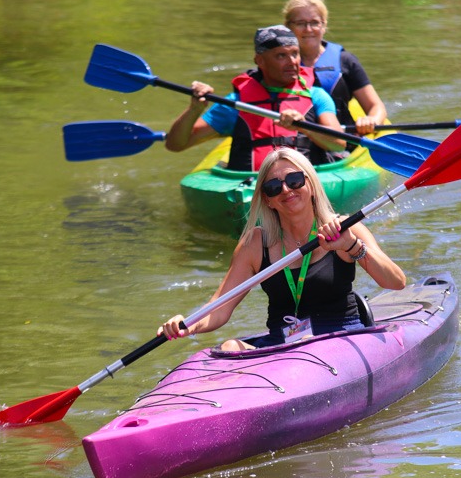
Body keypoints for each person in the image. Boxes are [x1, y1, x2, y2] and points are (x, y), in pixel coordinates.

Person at [158, 148, 406, 351]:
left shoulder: (345, 228)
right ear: (267, 199)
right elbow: (219, 309)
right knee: (230, 347)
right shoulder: (255, 243)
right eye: (274, 187)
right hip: (283, 345)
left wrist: (351, 246)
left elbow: (396, 282)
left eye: (294, 180)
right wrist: (186, 325)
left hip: (340, 338)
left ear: (310, 184)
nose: (286, 190)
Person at [165, 25, 347, 171]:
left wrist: (305, 128)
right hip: (250, 186)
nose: (292, 62)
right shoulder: (236, 103)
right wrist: (194, 109)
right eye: (281, 56)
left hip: (299, 187)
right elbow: (175, 145)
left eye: (295, 53)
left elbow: (339, 144)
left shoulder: (316, 96)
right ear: (260, 61)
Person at [283, 0, 387, 136]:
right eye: (300, 23)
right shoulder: (279, 64)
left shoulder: (345, 61)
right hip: (297, 143)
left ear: (323, 25)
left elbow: (376, 106)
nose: (308, 29)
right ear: (288, 26)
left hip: (341, 140)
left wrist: (371, 121)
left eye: (314, 22)